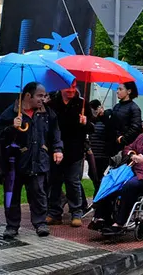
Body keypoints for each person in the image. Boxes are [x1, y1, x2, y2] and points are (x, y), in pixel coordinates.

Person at [0, 83, 63, 239]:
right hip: (14, 163)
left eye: (44, 95)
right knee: (12, 194)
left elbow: (56, 132)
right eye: (40, 96)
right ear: (28, 96)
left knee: (38, 193)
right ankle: (12, 226)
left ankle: (40, 224)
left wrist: (58, 149)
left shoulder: (47, 113)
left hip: (38, 160)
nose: (43, 99)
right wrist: (11, 127)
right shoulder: (11, 112)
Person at [47, 83, 93, 228]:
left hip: (75, 151)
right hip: (55, 150)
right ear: (61, 88)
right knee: (54, 182)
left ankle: (76, 212)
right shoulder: (51, 104)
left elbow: (92, 128)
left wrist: (85, 123)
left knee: (73, 182)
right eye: (68, 87)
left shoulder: (82, 104)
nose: (72, 90)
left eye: (74, 87)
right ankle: (55, 213)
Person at [88, 100, 112, 197]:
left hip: (102, 154)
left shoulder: (105, 121)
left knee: (97, 175)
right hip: (93, 153)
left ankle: (100, 195)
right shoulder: (92, 121)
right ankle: (99, 195)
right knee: (93, 174)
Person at [109, 81, 142, 148]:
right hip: (112, 144)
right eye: (117, 89)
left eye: (120, 89)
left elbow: (135, 128)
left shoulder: (134, 108)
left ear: (129, 91)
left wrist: (123, 139)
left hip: (125, 145)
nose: (117, 91)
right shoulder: (116, 106)